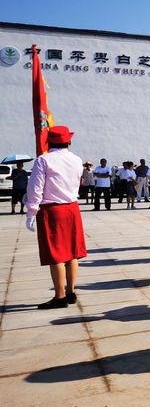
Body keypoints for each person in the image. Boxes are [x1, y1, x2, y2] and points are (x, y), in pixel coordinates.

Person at [24, 125, 87, 309]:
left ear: (48, 141)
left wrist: (31, 212)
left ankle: (59, 296)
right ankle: (71, 291)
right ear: (69, 141)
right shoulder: (77, 160)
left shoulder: (43, 160)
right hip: (72, 208)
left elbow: (35, 189)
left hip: (52, 210)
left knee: (56, 254)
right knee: (72, 253)